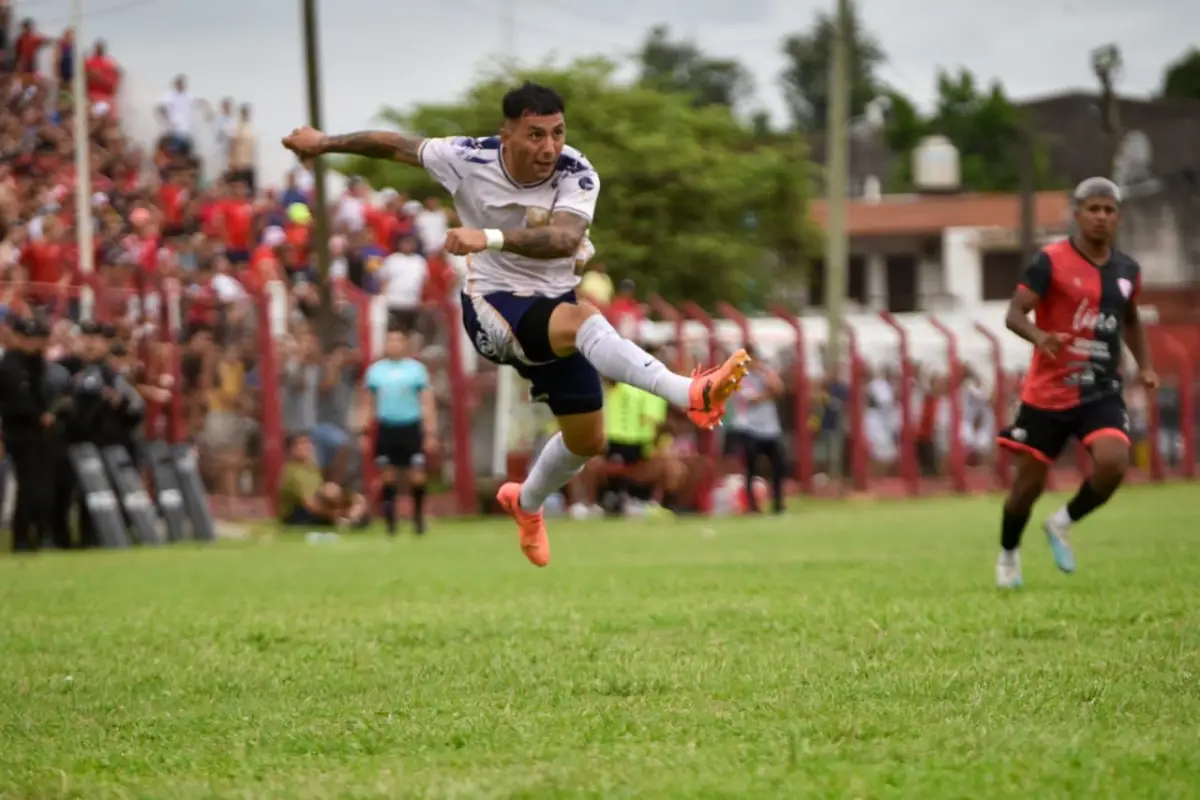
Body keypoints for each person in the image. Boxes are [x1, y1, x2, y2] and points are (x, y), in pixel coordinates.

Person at [283, 81, 750, 567]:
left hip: (552, 310)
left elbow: (564, 240)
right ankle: (689, 393)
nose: (549, 147)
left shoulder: (577, 171)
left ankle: (525, 504)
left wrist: (484, 236)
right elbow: (394, 145)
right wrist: (325, 142)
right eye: (535, 134)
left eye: (557, 133)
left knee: (587, 440)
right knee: (584, 319)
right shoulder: (466, 157)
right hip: (495, 308)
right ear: (506, 133)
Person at [993, 177, 1157, 589]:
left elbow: (1131, 319)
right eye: (1094, 209)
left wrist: (1146, 365)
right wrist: (1040, 337)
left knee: (1114, 463)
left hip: (1100, 389)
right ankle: (1009, 554)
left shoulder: (1127, 271)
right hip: (1048, 393)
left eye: (1109, 210)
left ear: (1117, 216)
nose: (1102, 217)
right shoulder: (1051, 261)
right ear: (1078, 213)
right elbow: (1014, 314)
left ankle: (1061, 523)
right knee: (1026, 487)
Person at [364, 327, 438, 536]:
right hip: (387, 427)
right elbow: (368, 403)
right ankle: (390, 523)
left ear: (404, 345)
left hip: (410, 426)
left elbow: (426, 401)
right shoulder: (376, 371)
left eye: (398, 340)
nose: (394, 344)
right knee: (388, 476)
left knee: (416, 475)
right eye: (390, 341)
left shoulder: (416, 370)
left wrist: (430, 431)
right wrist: (364, 431)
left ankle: (418, 520)